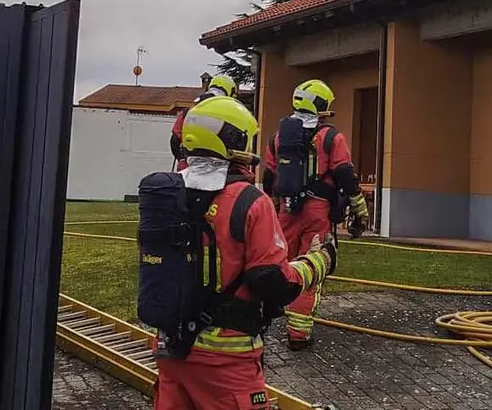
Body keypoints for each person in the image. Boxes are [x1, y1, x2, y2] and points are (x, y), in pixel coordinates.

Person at [142, 95, 337, 409]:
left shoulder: (167, 194)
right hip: (226, 361)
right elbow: (274, 281)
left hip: (171, 349)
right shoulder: (250, 201)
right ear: (233, 140)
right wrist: (320, 261)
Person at [260, 78, 369, 350]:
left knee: (279, 265)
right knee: (310, 268)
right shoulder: (331, 137)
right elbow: (345, 174)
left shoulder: (278, 137)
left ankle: (260, 321)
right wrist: (359, 208)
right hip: (317, 212)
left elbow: (268, 176)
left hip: (286, 211)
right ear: (321, 106)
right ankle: (298, 335)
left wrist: (274, 208)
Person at [169, 74, 238, 171]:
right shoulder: (229, 114)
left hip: (189, 167)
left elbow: (175, 139)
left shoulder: (188, 111)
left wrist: (182, 159)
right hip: (219, 170)